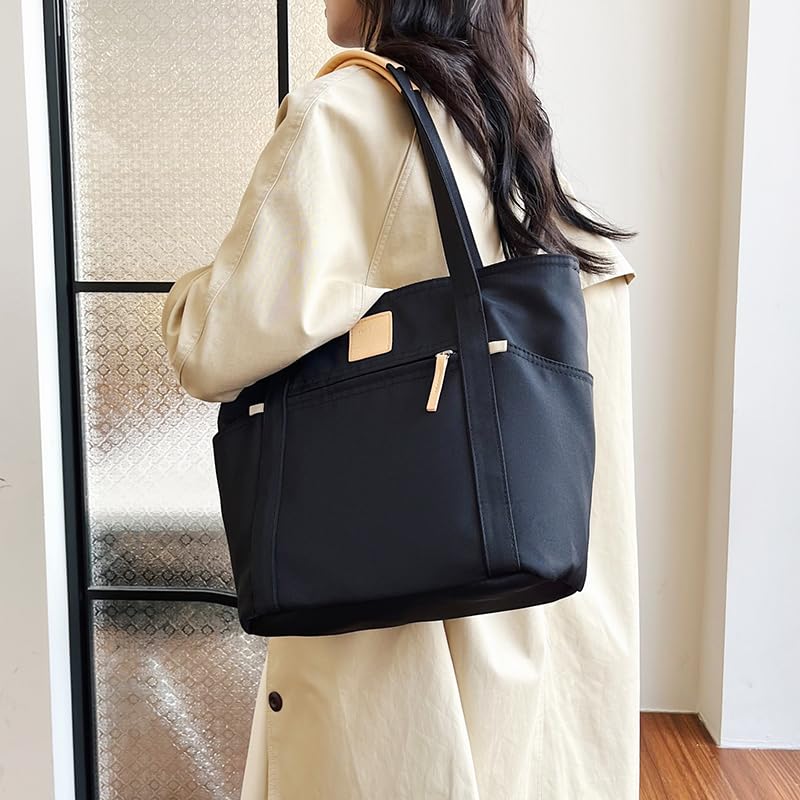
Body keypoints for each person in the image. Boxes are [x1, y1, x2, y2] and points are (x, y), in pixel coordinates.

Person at [160, 0, 640, 796]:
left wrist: (186, 296)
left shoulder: (351, 115)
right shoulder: (508, 123)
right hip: (527, 638)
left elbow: (212, 346)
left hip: (394, 646)